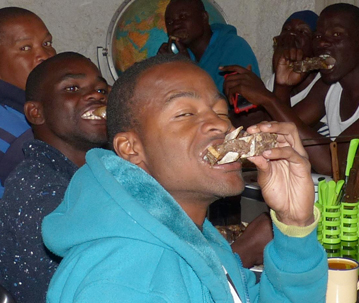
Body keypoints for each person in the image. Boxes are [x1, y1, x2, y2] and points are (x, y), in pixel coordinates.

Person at [42, 54, 328, 302]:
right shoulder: (129, 281)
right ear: (131, 149)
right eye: (185, 113)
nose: (220, 123)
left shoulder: (190, 234)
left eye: (221, 111)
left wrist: (294, 227)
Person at [224, 3, 359, 184]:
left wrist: (268, 98)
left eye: (335, 35)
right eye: (318, 36)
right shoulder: (330, 87)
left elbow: (335, 164)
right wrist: (282, 86)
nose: (322, 43)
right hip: (358, 198)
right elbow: (278, 135)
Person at [0, 52, 109, 303]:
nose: (96, 96)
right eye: (72, 87)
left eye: (102, 90)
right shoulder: (38, 188)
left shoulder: (99, 174)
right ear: (36, 113)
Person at [0, 7, 56, 197]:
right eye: (25, 48)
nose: (45, 55)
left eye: (47, 43)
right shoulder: (9, 131)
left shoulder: (45, 106)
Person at [157, 0, 260, 93]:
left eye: (183, 17)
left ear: (204, 17)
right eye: (170, 22)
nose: (175, 26)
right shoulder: (184, 56)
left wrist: (189, 68)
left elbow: (235, 109)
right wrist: (164, 70)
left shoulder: (233, 47)